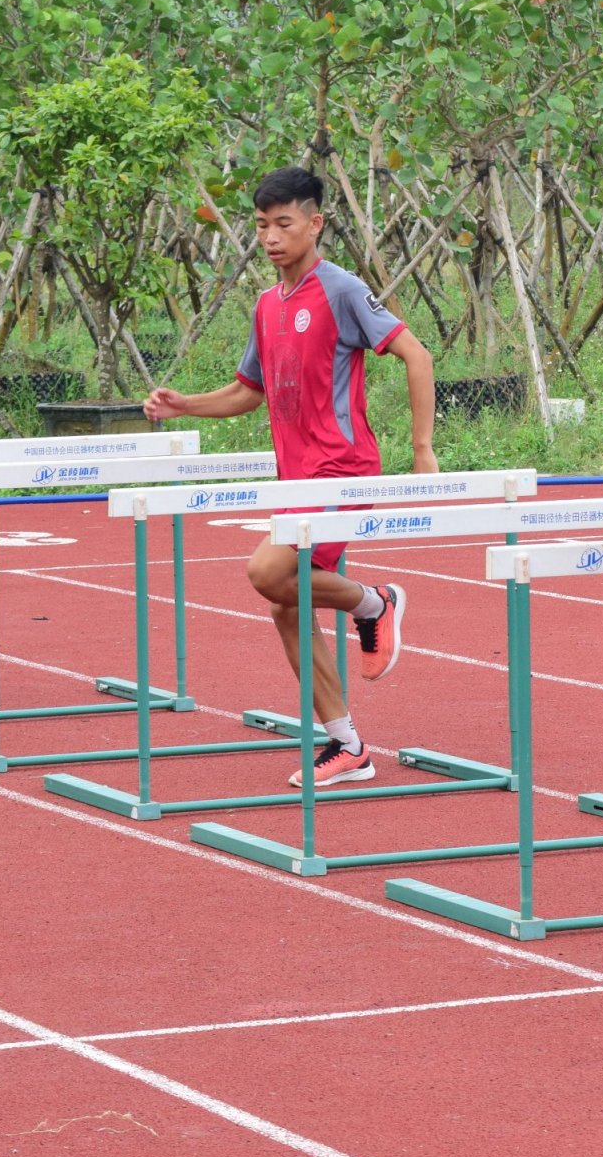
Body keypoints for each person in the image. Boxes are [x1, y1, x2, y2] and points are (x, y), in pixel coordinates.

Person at [144, 167, 436, 788]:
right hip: (296, 478)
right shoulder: (267, 305)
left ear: (314, 223)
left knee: (267, 573)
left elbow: (417, 354)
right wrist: (184, 405)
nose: (271, 237)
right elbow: (248, 392)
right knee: (286, 605)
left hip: (341, 469)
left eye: (283, 224)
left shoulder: (342, 290)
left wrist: (423, 450)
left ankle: (375, 602)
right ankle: (348, 745)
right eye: (261, 226)